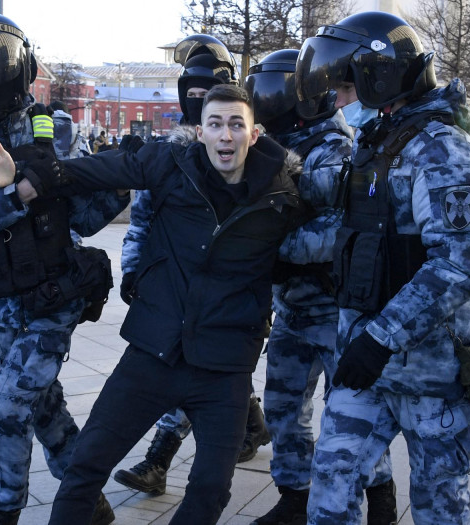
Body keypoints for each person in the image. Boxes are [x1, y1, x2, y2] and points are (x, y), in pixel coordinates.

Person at [3, 82, 302, 525]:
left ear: (254, 134)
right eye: (215, 124)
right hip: (153, 353)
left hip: (224, 369)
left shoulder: (282, 196)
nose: (225, 135)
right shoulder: (171, 164)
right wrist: (34, 178)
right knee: (85, 467)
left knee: (211, 489)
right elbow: (103, 169)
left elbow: (323, 247)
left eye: (236, 125)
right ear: (200, 132)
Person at [0, 14, 128, 525]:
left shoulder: (54, 127)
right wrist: (24, 190)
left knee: (7, 409)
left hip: (57, 294)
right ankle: (90, 502)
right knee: (44, 406)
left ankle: (3, 513)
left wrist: (119, 180)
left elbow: (83, 218)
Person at [297, 12, 470, 524]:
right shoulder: (376, 145)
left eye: (344, 89)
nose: (337, 102)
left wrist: (380, 339)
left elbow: (462, 264)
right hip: (364, 367)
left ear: (378, 81)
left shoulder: (444, 152)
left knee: (438, 506)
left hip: (431, 374)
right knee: (330, 491)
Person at [111, 34, 272, 499]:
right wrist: (133, 271)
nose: (199, 101)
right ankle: (252, 422)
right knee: (193, 362)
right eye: (192, 92)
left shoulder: (246, 147)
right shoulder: (169, 150)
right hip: (172, 283)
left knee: (196, 364)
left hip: (229, 291)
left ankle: (159, 458)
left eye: (208, 91)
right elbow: (142, 218)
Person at [244, 49, 396, 525]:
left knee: (353, 417)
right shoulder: (268, 148)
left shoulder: (335, 150)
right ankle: (294, 495)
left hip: (336, 312)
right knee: (283, 409)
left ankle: (381, 497)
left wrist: (273, 246)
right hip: (291, 309)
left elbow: (342, 231)